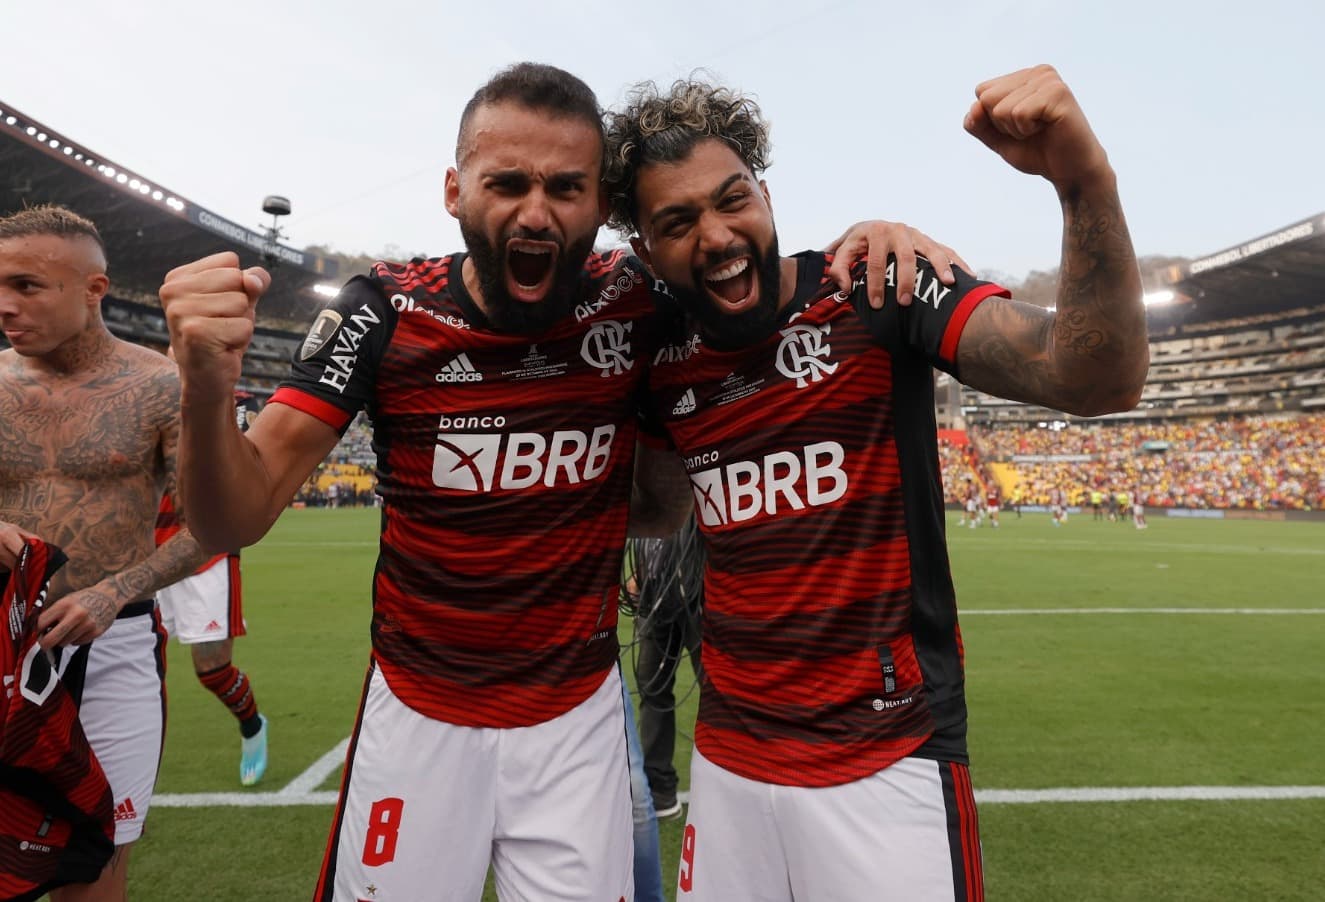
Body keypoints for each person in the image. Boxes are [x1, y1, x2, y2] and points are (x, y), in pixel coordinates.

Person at [160, 63, 953, 901]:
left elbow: (751, 275)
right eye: (506, 183)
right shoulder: (383, 311)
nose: (536, 212)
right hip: (420, 711)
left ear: (600, 206)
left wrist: (871, 238)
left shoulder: (639, 299)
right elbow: (234, 518)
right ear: (454, 191)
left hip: (575, 721)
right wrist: (205, 389)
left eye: (566, 187)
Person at [602, 63, 1148, 900]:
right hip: (728, 763)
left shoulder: (877, 287)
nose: (715, 235)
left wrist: (1082, 181)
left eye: (732, 199)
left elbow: (1094, 378)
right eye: (677, 221)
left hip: (889, 759)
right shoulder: (662, 354)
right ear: (644, 249)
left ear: (766, 196)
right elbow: (654, 505)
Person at [0, 205, 208, 900]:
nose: (5, 305)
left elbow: (210, 529)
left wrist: (114, 590)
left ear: (94, 289)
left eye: (27, 285)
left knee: (95, 866)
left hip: (113, 645)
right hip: (1, 640)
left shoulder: (161, 386)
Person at [154, 390, 269, 786]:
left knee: (213, 670)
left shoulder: (235, 400)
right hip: (144, 553)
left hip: (205, 549)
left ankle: (252, 726)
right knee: (140, 669)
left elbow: (235, 467)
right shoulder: (135, 389)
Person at [626, 515, 704, 819]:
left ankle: (733, 781)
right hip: (655, 591)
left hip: (698, 593)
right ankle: (660, 791)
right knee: (652, 688)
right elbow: (650, 528)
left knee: (717, 692)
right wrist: (640, 572)